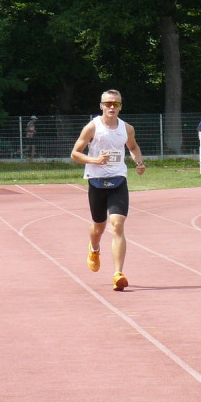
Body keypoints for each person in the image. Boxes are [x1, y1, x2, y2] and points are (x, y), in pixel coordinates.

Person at [71, 89, 147, 291]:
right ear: (101, 106)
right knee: (98, 227)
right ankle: (94, 248)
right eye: (108, 103)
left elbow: (133, 147)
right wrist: (94, 160)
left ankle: (118, 274)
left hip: (118, 181)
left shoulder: (126, 128)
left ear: (121, 106)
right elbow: (75, 154)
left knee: (117, 225)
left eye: (116, 104)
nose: (112, 107)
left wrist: (139, 162)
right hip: (96, 182)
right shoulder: (92, 127)